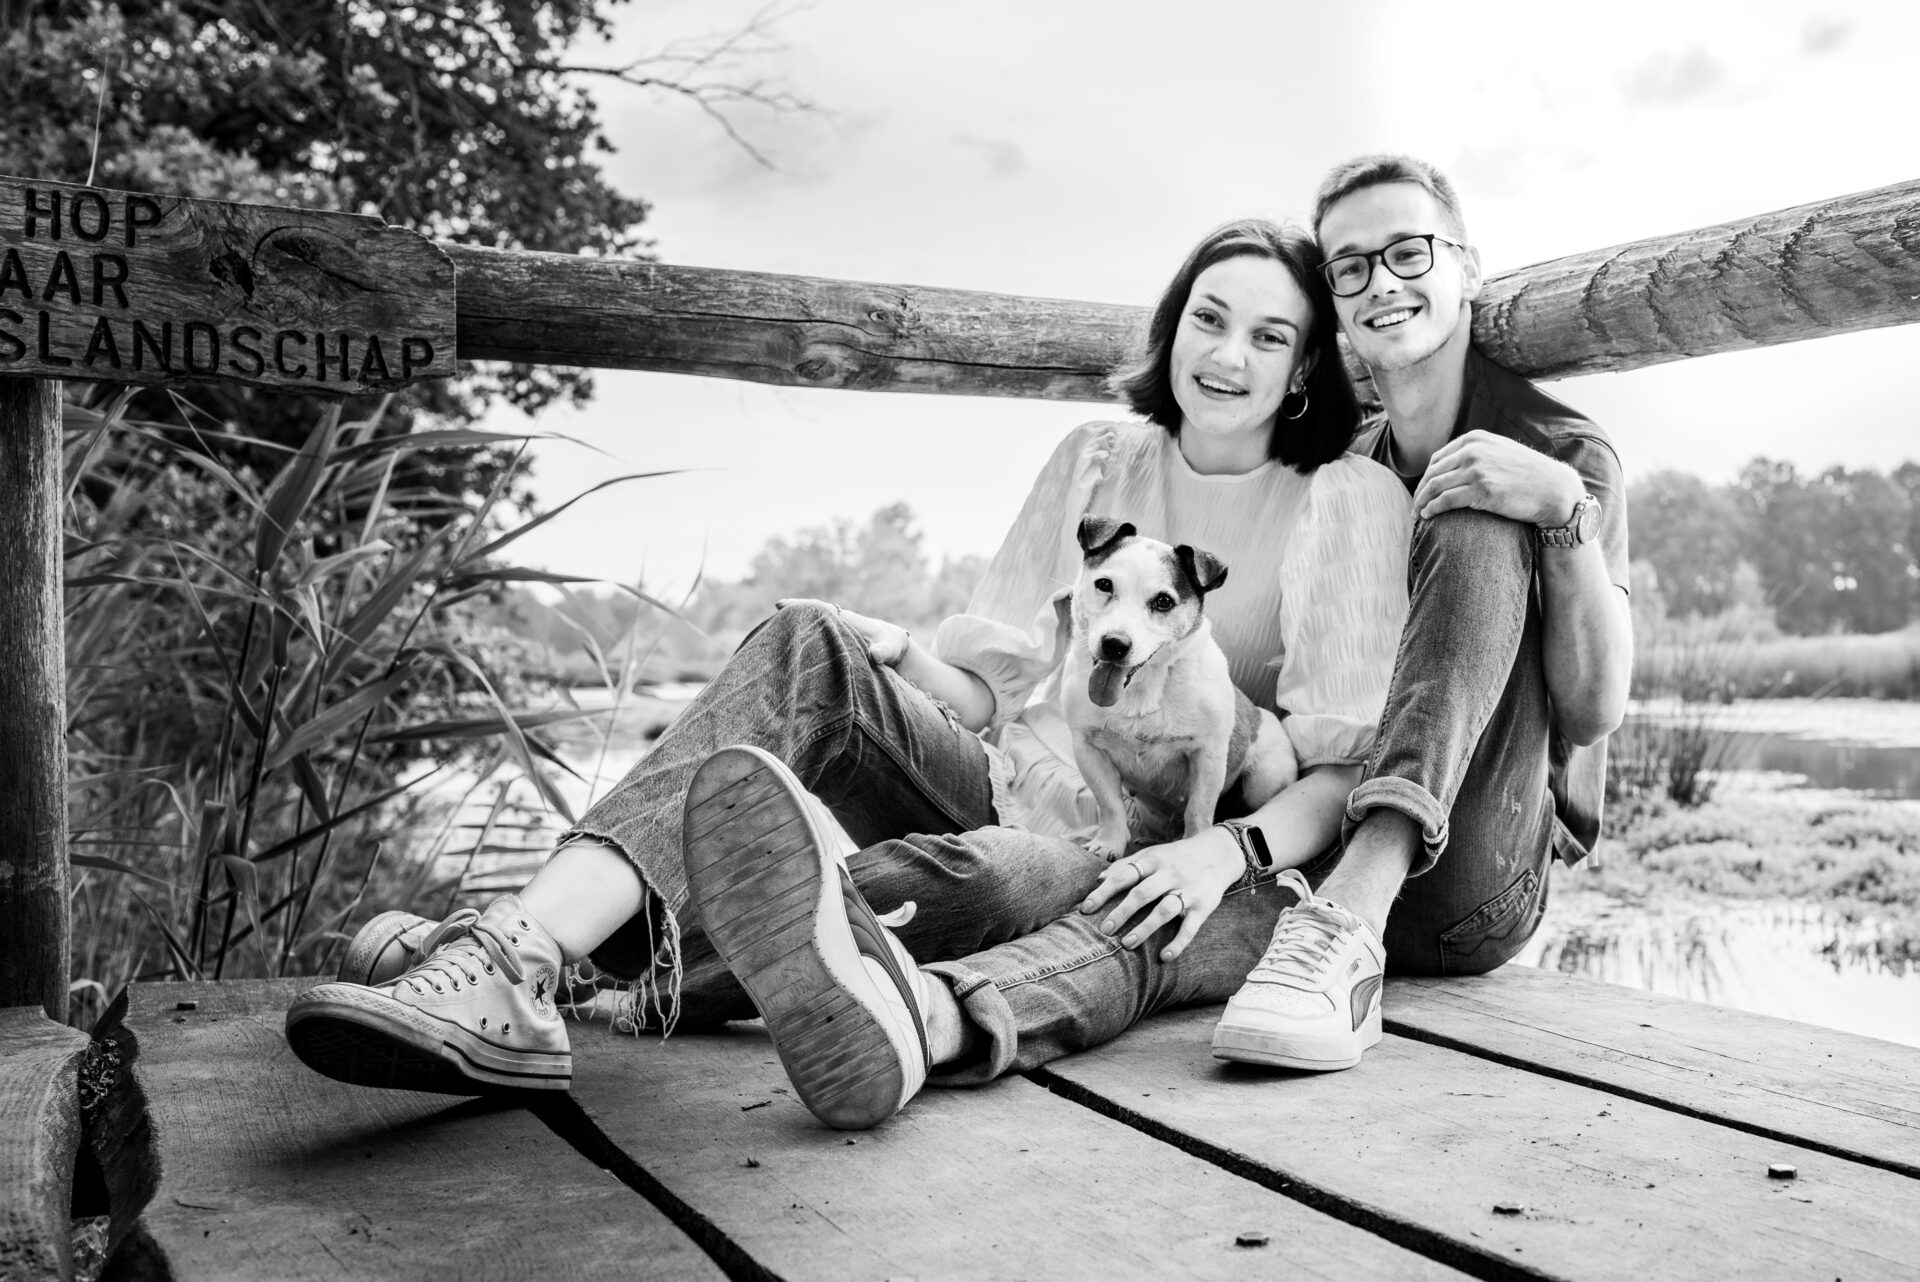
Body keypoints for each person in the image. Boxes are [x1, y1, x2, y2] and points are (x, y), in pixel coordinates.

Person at [284, 216, 1416, 1124]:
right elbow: (991, 696)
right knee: (810, 635)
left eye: (1269, 336)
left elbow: (1339, 764)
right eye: (1209, 319)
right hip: (1021, 781)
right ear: (1172, 330)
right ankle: (513, 954)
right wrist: (901, 652)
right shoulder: (1098, 461)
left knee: (985, 880)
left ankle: (580, 975)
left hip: (1192, 854)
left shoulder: (1345, 501)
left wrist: (1222, 850)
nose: (1227, 355)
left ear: (1305, 366)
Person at [1207, 154, 1634, 1071]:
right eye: (1350, 266)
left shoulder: (1563, 450)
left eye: (1408, 252)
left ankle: (1353, 918)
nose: (1381, 284)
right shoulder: (1348, 468)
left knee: (1476, 499)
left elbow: (1595, 714)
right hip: (1313, 847)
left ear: (1466, 267)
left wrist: (1564, 511)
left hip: (1470, 885)